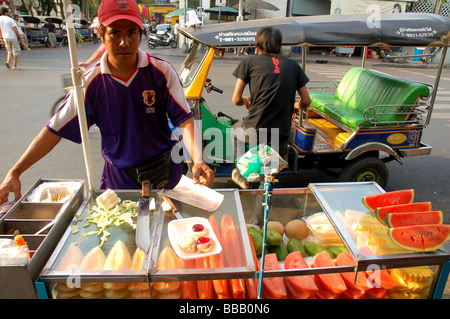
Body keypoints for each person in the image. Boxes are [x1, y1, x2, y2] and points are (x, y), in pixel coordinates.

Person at [0, 0, 214, 205]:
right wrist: (16, 171)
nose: (124, 42)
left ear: (140, 33)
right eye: (115, 33)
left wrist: (198, 160)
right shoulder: (89, 84)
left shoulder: (161, 71)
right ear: (101, 34)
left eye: (131, 32)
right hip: (118, 184)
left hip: (164, 177)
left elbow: (184, 118)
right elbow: (54, 130)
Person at [231, 26, 311, 188]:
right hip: (280, 134)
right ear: (279, 46)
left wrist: (247, 101)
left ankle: (241, 173)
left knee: (235, 131)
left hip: (254, 129)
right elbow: (306, 101)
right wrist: (295, 105)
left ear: (257, 47)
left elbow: (236, 99)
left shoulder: (249, 61)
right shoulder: (293, 66)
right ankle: (260, 204)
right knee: (267, 184)